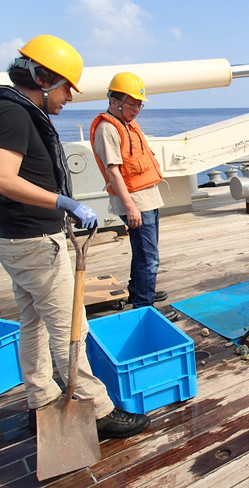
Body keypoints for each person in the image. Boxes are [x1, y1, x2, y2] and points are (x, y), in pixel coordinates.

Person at [0, 35, 150, 438]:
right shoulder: (14, 114)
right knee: (71, 325)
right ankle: (97, 410)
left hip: (18, 240)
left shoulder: (14, 109)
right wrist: (63, 202)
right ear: (42, 77)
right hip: (34, 241)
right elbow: (2, 178)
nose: (69, 97)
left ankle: (40, 395)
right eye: (66, 86)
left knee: (32, 322)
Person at [90, 72, 177, 322]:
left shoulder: (126, 124)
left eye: (140, 104)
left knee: (143, 253)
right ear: (115, 101)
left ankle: (138, 292)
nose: (137, 109)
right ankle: (143, 307)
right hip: (136, 202)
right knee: (149, 257)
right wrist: (130, 208)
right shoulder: (108, 129)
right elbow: (113, 171)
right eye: (132, 104)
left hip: (148, 198)